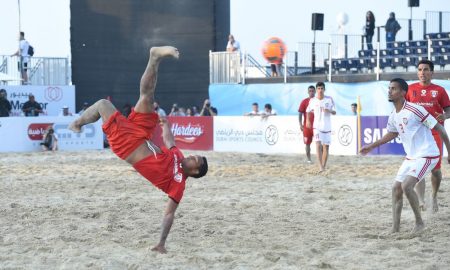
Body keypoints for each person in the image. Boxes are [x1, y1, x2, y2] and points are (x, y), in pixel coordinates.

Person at [68, 46, 208, 254]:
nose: (190, 156)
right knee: (147, 97)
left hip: (128, 146)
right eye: (194, 155)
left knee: (103, 105)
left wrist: (161, 243)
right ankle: (155, 57)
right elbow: (170, 142)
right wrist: (165, 124)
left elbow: (169, 214)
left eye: (194, 159)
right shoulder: (178, 158)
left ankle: (77, 123)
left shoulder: (178, 185)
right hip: (142, 135)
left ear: (195, 171)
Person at [360, 78, 450, 233]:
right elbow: (391, 134)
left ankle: (419, 223)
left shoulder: (415, 110)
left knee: (407, 185)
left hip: (428, 154)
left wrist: (449, 151)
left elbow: (440, 129)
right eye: (389, 88)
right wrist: (371, 146)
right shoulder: (394, 114)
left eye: (393, 88)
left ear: (403, 92)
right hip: (411, 157)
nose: (389, 91)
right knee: (396, 188)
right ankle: (395, 228)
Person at [405, 59, 450, 212]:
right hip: (417, 135)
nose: (422, 73)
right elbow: (404, 110)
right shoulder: (410, 90)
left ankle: (434, 196)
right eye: (419, 70)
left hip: (435, 134)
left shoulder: (440, 90)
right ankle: (421, 201)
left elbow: (448, 111)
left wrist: (445, 116)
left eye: (425, 69)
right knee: (419, 168)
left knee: (436, 170)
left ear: (432, 72)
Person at [306, 82, 336, 172]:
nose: (320, 90)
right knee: (318, 145)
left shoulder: (329, 99)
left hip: (327, 127)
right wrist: (307, 120)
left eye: (322, 88)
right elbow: (308, 110)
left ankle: (323, 165)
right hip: (317, 127)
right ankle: (320, 166)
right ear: (316, 90)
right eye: (318, 89)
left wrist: (329, 110)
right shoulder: (312, 100)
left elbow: (334, 112)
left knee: (326, 147)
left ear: (324, 89)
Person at [298, 85, 316, 163]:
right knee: (307, 144)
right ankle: (309, 159)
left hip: (317, 126)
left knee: (320, 143)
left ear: (315, 91)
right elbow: (300, 113)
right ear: (308, 92)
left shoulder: (318, 101)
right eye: (310, 91)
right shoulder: (304, 101)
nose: (311, 92)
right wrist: (300, 124)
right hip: (307, 126)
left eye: (313, 91)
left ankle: (321, 159)